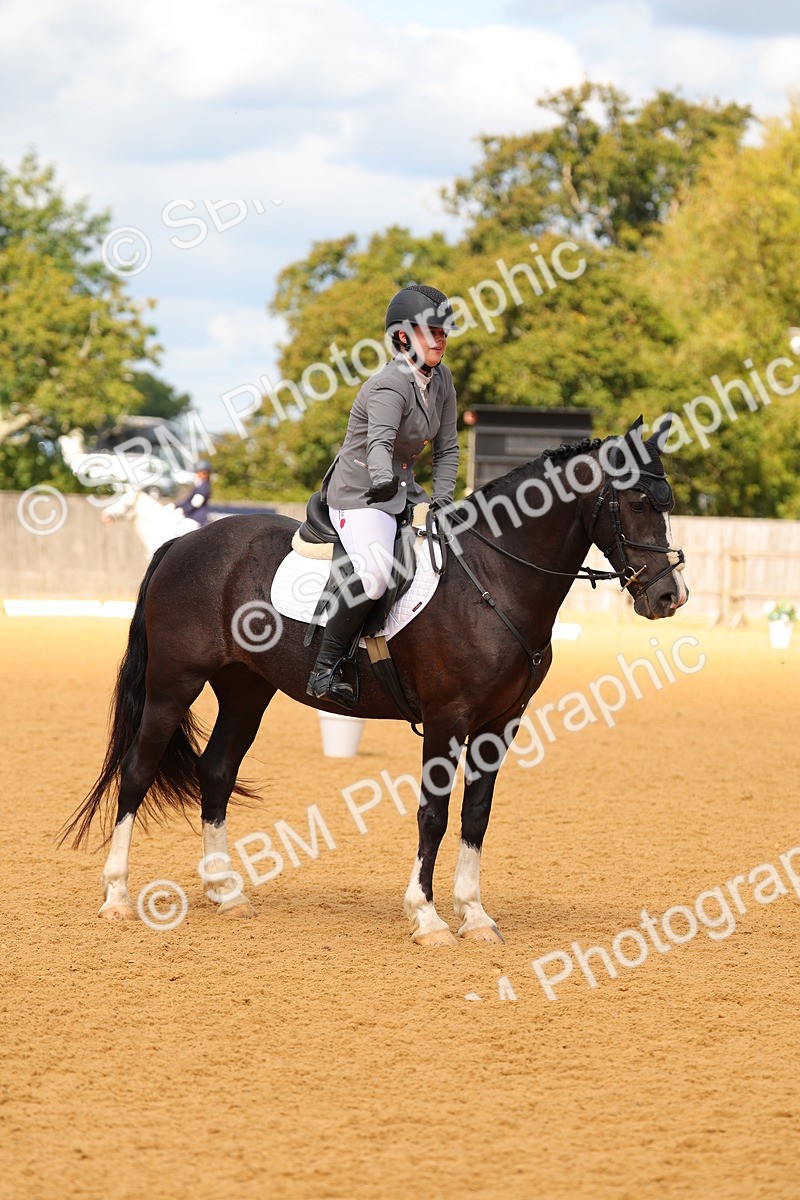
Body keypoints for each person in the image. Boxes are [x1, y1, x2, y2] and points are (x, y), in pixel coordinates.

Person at [306, 283, 460, 707]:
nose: (441, 340)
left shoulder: (442, 379)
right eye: (432, 331)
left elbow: (447, 449)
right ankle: (325, 667)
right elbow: (379, 444)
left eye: (444, 332)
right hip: (362, 493)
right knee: (374, 575)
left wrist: (444, 498)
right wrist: (381, 479)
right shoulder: (389, 385)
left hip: (405, 491)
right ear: (403, 336)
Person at [177, 460, 212, 527]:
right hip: (191, 516)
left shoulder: (204, 487)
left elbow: (195, 503)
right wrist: (175, 505)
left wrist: (182, 510)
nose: (196, 474)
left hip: (196, 519)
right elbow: (187, 500)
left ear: (205, 473)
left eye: (199, 472)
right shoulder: (199, 486)